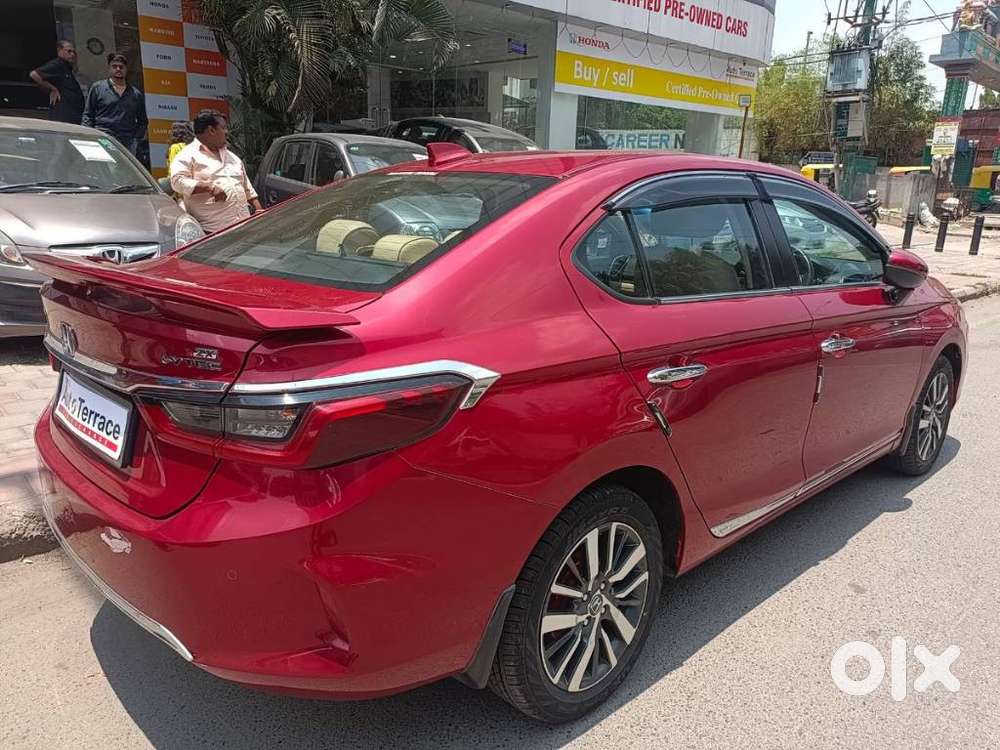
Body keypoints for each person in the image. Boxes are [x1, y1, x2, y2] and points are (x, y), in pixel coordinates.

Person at [169, 109, 262, 234]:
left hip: (244, 228)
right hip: (212, 233)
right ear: (211, 130)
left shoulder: (232, 157)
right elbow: (177, 181)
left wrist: (259, 210)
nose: (227, 132)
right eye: (223, 128)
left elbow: (247, 188)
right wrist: (209, 187)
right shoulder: (187, 155)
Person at [82, 52, 147, 155]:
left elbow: (143, 122)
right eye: (114, 66)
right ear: (109, 68)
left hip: (127, 142)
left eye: (121, 67)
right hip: (103, 138)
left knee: (124, 166)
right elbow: (88, 115)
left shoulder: (135, 94)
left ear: (126, 69)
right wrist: (89, 136)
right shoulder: (98, 88)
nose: (118, 69)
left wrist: (135, 140)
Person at [29, 41, 85, 124]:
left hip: (73, 115)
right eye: (69, 51)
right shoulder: (57, 64)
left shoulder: (67, 67)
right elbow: (34, 74)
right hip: (63, 116)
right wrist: (53, 88)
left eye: (74, 52)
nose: (72, 54)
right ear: (59, 50)